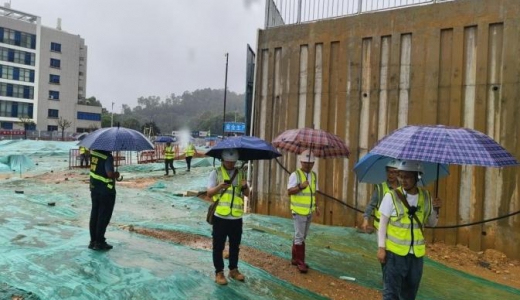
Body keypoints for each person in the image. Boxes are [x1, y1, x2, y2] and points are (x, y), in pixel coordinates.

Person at [377, 160, 442, 300]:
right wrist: (381, 248)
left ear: (417, 177)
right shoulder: (391, 196)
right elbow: (382, 224)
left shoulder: (425, 197)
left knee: (409, 294)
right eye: (401, 176)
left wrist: (436, 209)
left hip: (416, 256)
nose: (403, 180)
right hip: (395, 254)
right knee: (391, 293)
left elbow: (432, 223)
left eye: (407, 177)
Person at [206, 148, 249, 285]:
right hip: (220, 217)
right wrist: (219, 187)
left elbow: (248, 194)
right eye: (228, 162)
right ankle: (219, 272)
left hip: (236, 217)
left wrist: (245, 187)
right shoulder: (216, 173)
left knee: (235, 246)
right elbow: (209, 193)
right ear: (223, 160)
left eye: (233, 162)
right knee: (218, 246)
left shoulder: (241, 173)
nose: (231, 164)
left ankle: (233, 270)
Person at [287, 149, 320, 273]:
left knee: (302, 235)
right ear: (301, 161)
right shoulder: (295, 175)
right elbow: (289, 191)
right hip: (298, 210)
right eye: (306, 162)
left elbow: (314, 193)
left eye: (311, 163)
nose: (308, 165)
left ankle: (295, 258)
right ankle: (301, 262)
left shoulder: (314, 175)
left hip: (309, 210)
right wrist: (300, 186)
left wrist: (316, 206)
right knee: (300, 236)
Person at [88, 150, 120, 251]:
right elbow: (109, 173)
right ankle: (99, 242)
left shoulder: (94, 153)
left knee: (94, 215)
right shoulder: (107, 157)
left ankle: (93, 241)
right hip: (105, 191)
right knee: (103, 216)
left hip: (94, 188)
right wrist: (116, 175)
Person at [361, 159, 400, 233]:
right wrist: (365, 220)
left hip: (397, 230)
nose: (390, 174)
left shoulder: (403, 189)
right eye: (389, 171)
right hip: (381, 228)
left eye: (394, 172)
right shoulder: (380, 188)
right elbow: (371, 205)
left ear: (398, 173)